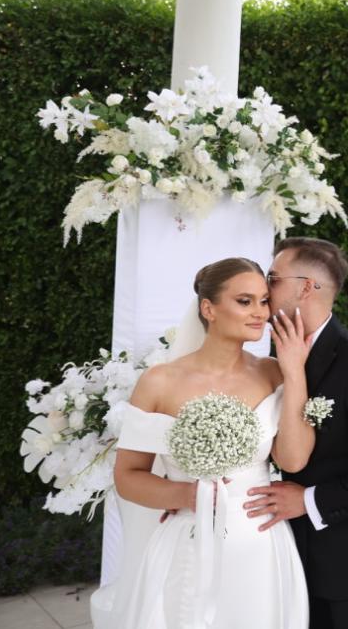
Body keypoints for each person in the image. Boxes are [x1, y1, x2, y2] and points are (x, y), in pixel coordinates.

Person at [93, 257, 312, 629]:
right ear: (208, 309)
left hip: (260, 542)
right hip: (189, 541)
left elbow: (292, 460)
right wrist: (186, 496)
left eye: (263, 301)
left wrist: (295, 373)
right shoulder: (160, 381)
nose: (260, 312)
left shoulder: (273, 372)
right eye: (244, 301)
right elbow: (127, 477)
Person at [244, 237, 348, 629]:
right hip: (295, 555)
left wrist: (307, 500)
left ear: (307, 287)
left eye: (273, 278)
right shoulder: (277, 357)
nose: (264, 288)